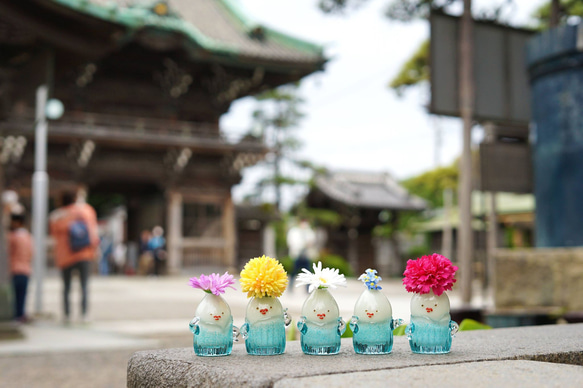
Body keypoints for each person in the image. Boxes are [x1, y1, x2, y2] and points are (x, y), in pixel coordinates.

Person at [50, 191, 99, 324]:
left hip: (65, 256)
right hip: (84, 253)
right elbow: (92, 231)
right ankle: (84, 314)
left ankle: (66, 315)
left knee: (66, 287)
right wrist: (95, 249)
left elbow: (53, 232)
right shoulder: (86, 211)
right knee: (84, 286)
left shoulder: (57, 216)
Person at [8, 212, 33, 323]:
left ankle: (15, 316)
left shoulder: (12, 237)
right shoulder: (28, 236)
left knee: (13, 297)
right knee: (22, 296)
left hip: (14, 268)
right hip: (26, 269)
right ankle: (20, 315)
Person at [286, 218, 316, 291]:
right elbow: (290, 242)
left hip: (306, 255)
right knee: (294, 271)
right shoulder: (294, 231)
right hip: (297, 254)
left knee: (308, 273)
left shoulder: (309, 232)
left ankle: (308, 289)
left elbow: (312, 241)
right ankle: (290, 288)